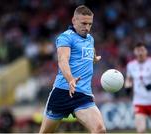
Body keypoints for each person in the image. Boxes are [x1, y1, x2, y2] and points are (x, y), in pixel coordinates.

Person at [39, 5, 106, 133]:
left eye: (90, 24)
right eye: (84, 23)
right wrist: (70, 79)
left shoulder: (90, 39)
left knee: (100, 130)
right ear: (74, 20)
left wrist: (94, 58)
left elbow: (90, 50)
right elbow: (63, 60)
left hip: (82, 94)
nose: (87, 27)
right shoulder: (65, 37)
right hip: (62, 92)